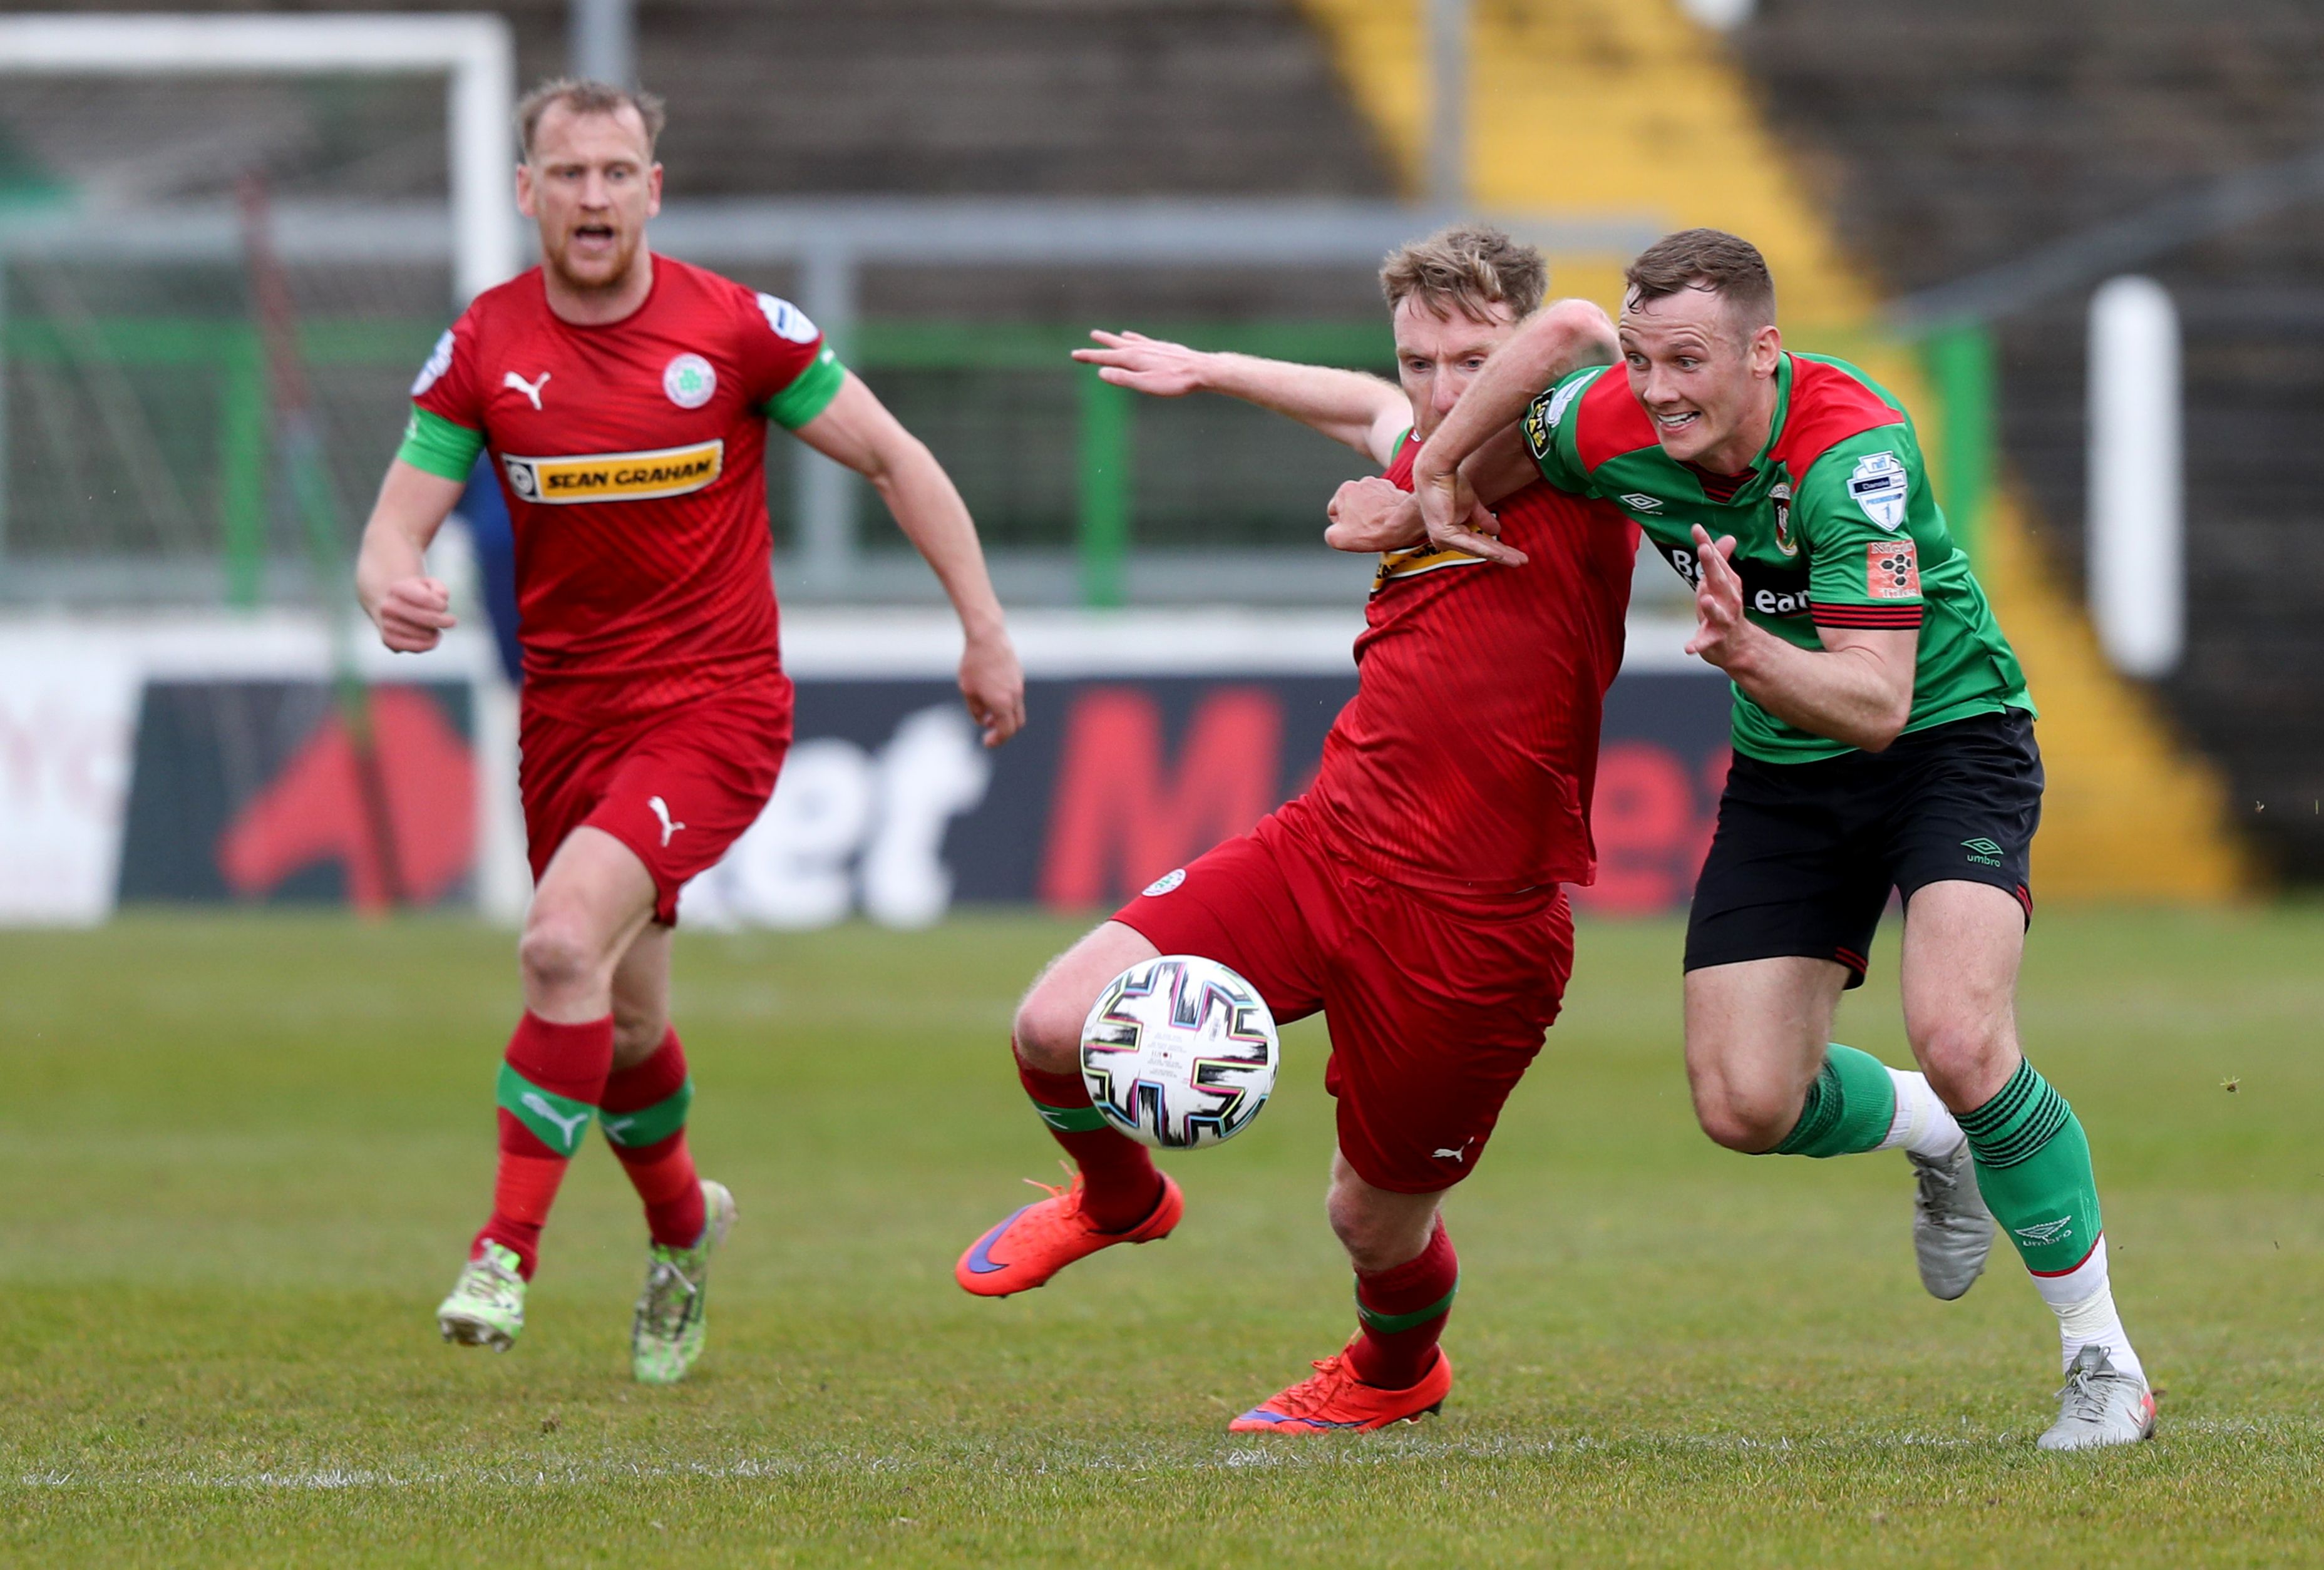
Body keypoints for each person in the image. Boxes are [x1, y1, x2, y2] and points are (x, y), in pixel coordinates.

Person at [1375, 227, 2151, 1451]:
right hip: (1791, 774)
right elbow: (1534, 375)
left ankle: (2101, 1360)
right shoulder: (1611, 422)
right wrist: (1430, 478)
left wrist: (1743, 653)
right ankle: (1927, 1126)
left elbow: (1876, 700)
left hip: (1943, 741)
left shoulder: (1854, 456)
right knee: (1741, 1101)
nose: (1657, 388)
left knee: (1957, 1028)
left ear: (1762, 352)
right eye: (1638, 358)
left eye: (1685, 360)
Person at [354, 79, 1025, 1383]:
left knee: (555, 944)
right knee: (618, 1022)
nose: (593, 197)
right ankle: (680, 1230)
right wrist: (390, 580)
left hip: (712, 712)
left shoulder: (735, 331)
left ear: (653, 188)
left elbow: (894, 456)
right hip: (567, 721)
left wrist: (984, 628)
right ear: (526, 192)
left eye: (617, 173)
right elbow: (395, 521)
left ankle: (504, 1254)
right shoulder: (485, 346)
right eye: (568, 175)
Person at [953, 225, 1637, 1433]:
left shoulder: (1572, 447)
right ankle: (1117, 1199)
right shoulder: (1430, 434)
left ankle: (1395, 1373)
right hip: (1325, 847)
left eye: (1470, 358)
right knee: (1054, 1023)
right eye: (1421, 358)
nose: (1438, 390)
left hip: (1476, 923)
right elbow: (1368, 406)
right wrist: (1213, 365)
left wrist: (1424, 491)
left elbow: (1582, 327)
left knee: (1369, 1222)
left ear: (1519, 361)